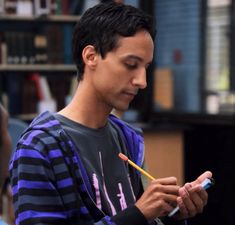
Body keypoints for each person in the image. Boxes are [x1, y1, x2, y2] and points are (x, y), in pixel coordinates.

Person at [9, 2, 212, 225]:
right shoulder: (39, 146)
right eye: (131, 64)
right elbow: (134, 216)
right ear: (91, 56)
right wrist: (138, 214)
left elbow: (139, 218)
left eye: (145, 67)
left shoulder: (128, 137)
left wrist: (171, 214)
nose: (142, 81)